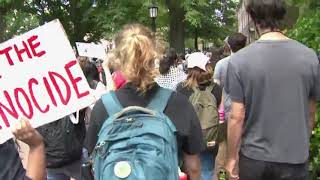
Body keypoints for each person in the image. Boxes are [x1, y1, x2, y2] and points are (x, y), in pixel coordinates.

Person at [85, 24, 203, 180]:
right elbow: (193, 168)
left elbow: (94, 162)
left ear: (117, 60)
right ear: (155, 56)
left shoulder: (102, 108)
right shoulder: (178, 104)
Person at [225, 0, 320, 179]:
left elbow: (236, 116)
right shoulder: (309, 57)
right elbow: (311, 112)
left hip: (254, 158)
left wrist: (231, 158)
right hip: (294, 157)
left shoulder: (239, 61)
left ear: (253, 18)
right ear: (282, 16)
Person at [177, 52, 222, 180]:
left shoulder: (181, 88)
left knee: (189, 171)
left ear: (189, 68)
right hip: (210, 137)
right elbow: (220, 112)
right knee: (207, 170)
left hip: (188, 138)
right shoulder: (216, 89)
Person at [213, 33, 247, 180]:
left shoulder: (222, 64)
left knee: (223, 152)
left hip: (226, 113)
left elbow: (216, 88)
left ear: (229, 46)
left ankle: (222, 177)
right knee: (241, 151)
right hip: (247, 114)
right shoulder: (250, 63)